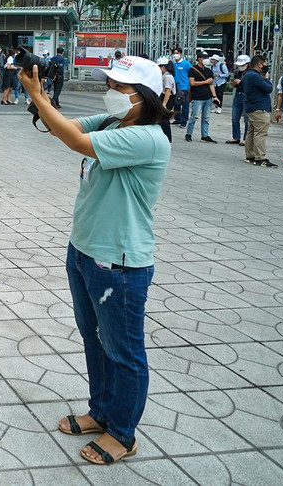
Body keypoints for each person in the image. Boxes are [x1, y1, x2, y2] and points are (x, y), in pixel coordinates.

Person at [17, 56, 171, 468]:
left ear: (147, 96)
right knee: (94, 340)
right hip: (84, 250)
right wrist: (42, 95)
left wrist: (34, 94)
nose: (112, 92)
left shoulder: (149, 138)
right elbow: (62, 127)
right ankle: (100, 411)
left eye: (121, 87)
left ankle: (122, 432)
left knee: (124, 352)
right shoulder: (112, 123)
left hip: (118, 263)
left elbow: (76, 143)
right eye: (111, 84)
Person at [241, 55, 276, 167]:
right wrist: (267, 78)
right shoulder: (255, 76)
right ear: (259, 64)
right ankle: (260, 158)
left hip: (252, 107)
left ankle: (250, 155)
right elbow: (268, 88)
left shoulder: (247, 74)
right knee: (260, 133)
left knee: (251, 131)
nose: (266, 67)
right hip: (259, 107)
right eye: (265, 64)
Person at [183, 53, 218, 143]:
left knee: (206, 118)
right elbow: (192, 83)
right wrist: (205, 82)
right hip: (197, 97)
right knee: (194, 117)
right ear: (199, 59)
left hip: (208, 97)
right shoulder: (192, 70)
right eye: (204, 58)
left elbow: (211, 84)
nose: (206, 59)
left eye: (206, 58)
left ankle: (205, 135)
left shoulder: (208, 71)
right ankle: (189, 134)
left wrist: (215, 96)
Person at [169, 48, 191, 127]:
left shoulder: (186, 63)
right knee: (176, 104)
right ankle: (177, 119)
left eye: (177, 53)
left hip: (184, 86)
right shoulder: (173, 64)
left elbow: (191, 74)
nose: (176, 55)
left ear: (181, 54)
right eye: (174, 53)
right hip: (175, 87)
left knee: (184, 104)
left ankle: (184, 121)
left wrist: (189, 85)